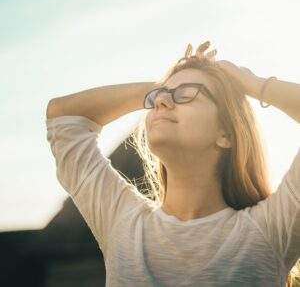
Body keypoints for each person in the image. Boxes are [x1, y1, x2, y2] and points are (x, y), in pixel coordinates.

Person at [46, 41, 300, 286]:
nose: (161, 102)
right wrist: (160, 87)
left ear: (227, 134)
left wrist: (253, 84)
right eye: (157, 97)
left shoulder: (271, 229)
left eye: (187, 94)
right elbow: (64, 115)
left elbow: (66, 118)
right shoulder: (121, 222)